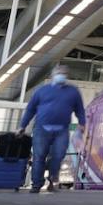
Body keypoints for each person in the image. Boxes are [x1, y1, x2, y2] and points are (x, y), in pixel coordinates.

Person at [17, 64, 86, 193]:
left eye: (64, 72)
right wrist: (22, 126)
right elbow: (30, 109)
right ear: (53, 75)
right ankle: (36, 184)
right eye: (59, 72)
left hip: (62, 130)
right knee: (39, 156)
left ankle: (52, 179)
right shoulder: (42, 90)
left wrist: (82, 124)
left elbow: (80, 110)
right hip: (41, 129)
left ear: (67, 76)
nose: (62, 74)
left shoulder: (73, 91)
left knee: (59, 155)